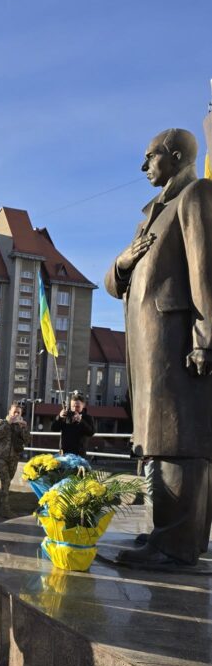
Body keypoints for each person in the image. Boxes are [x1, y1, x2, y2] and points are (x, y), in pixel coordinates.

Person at [105, 127, 212, 568]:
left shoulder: (196, 195)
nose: (144, 166)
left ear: (173, 155)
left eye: (149, 157)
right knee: (157, 440)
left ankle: (177, 545)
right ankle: (163, 533)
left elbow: (206, 274)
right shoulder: (152, 212)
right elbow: (114, 286)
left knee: (179, 439)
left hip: (175, 340)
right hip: (148, 344)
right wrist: (123, 261)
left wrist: (206, 340)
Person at [0, 403, 30, 517]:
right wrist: (8, 422)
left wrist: (24, 429)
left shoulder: (20, 426)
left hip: (14, 458)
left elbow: (27, 440)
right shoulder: (1, 422)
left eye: (19, 413)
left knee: (6, 484)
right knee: (6, 481)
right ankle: (5, 510)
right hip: (1, 457)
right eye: (14, 412)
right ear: (9, 412)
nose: (16, 414)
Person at [51, 392, 95, 457]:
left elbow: (91, 432)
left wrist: (81, 421)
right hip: (64, 453)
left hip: (79, 454)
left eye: (77, 407)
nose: (74, 409)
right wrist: (59, 417)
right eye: (72, 406)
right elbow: (54, 429)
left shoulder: (88, 417)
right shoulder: (65, 415)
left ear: (83, 405)